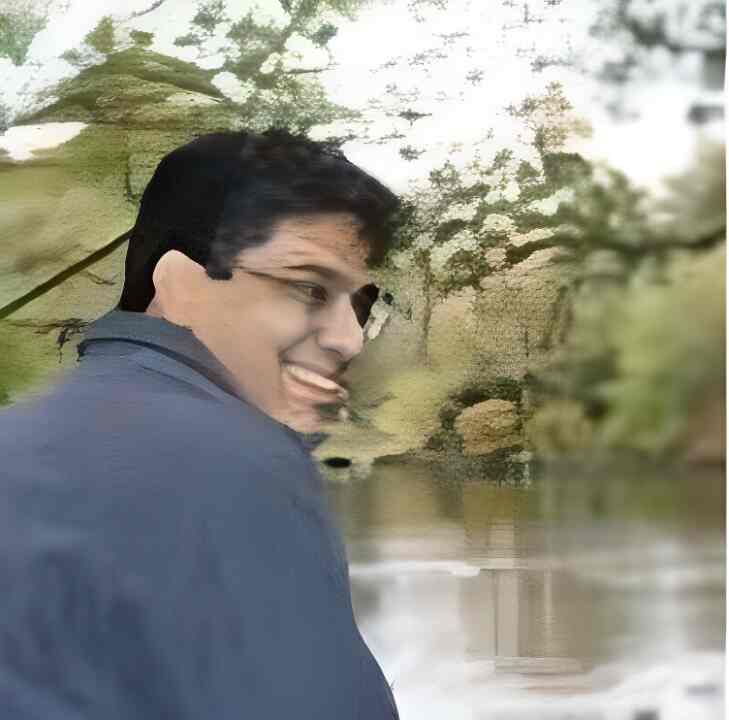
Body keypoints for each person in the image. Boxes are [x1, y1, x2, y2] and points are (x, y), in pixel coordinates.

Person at [0, 129, 401, 719]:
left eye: (362, 305)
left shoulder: (24, 439)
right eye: (309, 289)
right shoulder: (231, 468)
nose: (348, 340)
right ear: (178, 282)